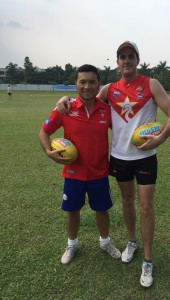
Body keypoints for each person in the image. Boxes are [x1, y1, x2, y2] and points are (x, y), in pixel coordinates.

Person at [56, 41, 170, 287]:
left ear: (137, 60)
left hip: (145, 157)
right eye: (122, 56)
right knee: (126, 201)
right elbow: (85, 98)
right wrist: (64, 99)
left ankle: (147, 260)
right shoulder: (110, 89)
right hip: (120, 158)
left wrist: (161, 137)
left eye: (131, 56)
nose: (126, 60)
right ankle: (131, 242)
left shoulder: (151, 84)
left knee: (145, 207)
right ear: (117, 62)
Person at [39, 64, 121, 265]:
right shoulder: (65, 108)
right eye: (82, 82)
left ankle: (105, 243)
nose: (87, 86)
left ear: (98, 84)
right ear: (75, 84)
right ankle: (72, 245)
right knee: (72, 210)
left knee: (102, 210)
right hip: (73, 173)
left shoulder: (107, 111)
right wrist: (49, 152)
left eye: (92, 82)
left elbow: (124, 130)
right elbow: (44, 131)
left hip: (99, 173)